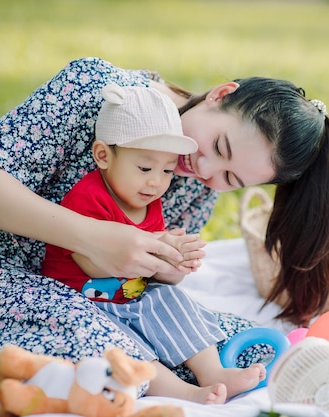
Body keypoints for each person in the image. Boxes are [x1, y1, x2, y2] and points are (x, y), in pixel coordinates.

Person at [0, 57, 329, 402]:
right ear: (220, 94)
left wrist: (162, 267)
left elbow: (133, 285)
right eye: (219, 147)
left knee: (217, 347)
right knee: (112, 365)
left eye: (230, 179)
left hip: (86, 296)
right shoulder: (97, 91)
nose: (204, 169)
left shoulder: (196, 182)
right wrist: (91, 237)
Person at [41, 83, 265, 404]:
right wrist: (153, 246)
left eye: (167, 171)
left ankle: (212, 371)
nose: (156, 182)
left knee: (172, 300)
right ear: (103, 156)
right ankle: (184, 392)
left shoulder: (149, 200)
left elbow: (154, 275)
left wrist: (173, 262)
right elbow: (92, 263)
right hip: (80, 298)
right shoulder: (88, 196)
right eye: (145, 168)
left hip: (130, 294)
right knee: (119, 343)